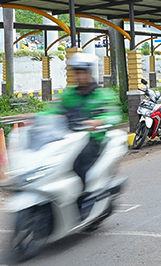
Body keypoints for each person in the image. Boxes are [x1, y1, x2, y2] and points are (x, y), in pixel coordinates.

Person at [50, 53, 120, 199]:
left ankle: (84, 195)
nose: (79, 76)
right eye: (77, 72)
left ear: (89, 73)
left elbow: (114, 115)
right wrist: (34, 118)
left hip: (92, 139)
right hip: (69, 138)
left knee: (80, 159)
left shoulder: (102, 95)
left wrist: (99, 121)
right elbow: (53, 111)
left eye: (83, 72)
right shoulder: (69, 95)